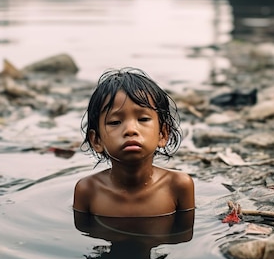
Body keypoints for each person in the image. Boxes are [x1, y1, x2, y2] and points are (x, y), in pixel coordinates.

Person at [73, 67, 195, 217]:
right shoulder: (88, 190)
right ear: (97, 140)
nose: (130, 130)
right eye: (115, 122)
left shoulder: (178, 186)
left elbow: (185, 236)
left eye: (143, 119)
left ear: (162, 134)